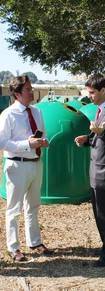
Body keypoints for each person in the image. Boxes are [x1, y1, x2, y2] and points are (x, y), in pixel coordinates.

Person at [0, 75, 52, 262]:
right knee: (14, 209)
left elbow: (43, 133)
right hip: (16, 165)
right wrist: (26, 144)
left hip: (36, 164)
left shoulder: (37, 112)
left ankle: (35, 242)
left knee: (33, 206)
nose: (32, 92)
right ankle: (13, 248)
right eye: (28, 89)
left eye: (31, 88)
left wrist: (42, 142)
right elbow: (2, 142)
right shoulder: (8, 114)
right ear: (16, 93)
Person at [75, 75, 105, 267]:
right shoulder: (100, 110)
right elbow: (100, 135)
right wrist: (88, 139)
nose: (90, 96)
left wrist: (101, 133)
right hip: (98, 169)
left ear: (104, 91)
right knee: (102, 213)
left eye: (92, 92)